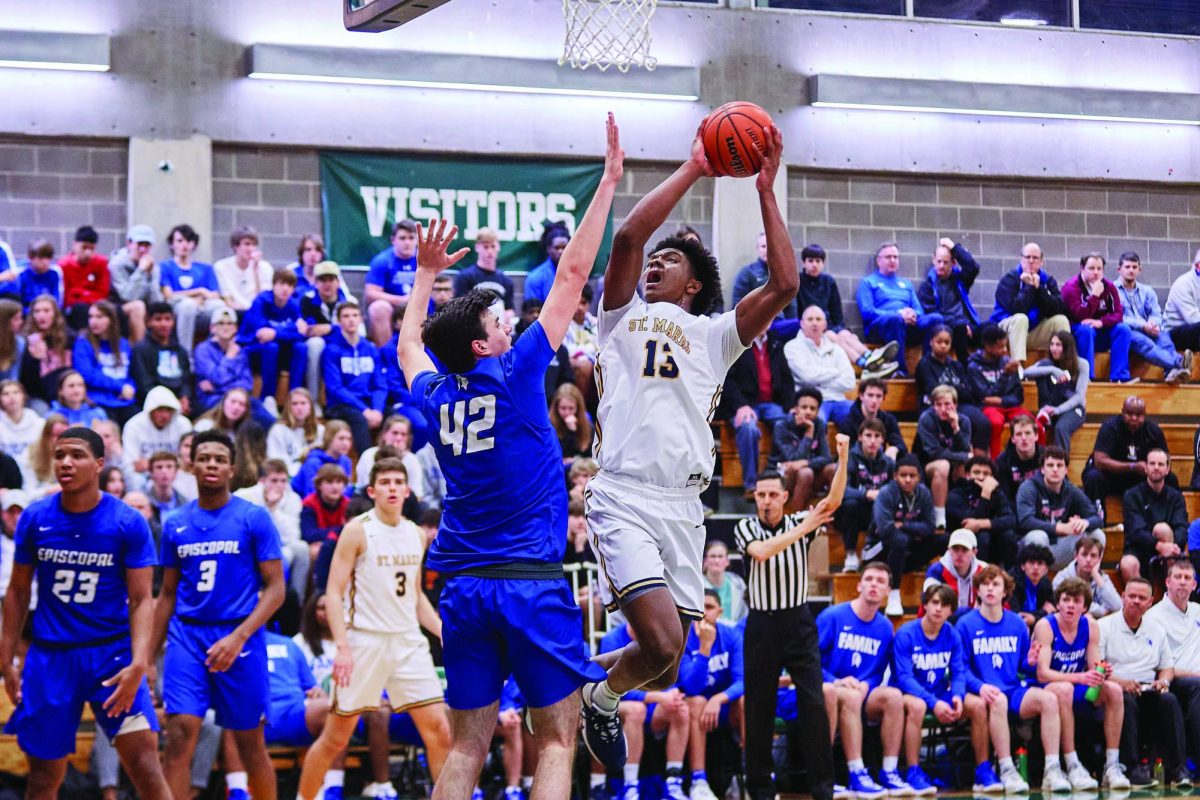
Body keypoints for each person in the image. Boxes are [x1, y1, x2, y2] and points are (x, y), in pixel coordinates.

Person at [397, 115, 622, 794]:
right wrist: (609, 180)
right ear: (484, 346)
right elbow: (575, 271)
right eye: (499, 322)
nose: (511, 323)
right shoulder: (519, 372)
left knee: (466, 746)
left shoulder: (437, 395)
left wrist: (426, 274)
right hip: (527, 580)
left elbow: (409, 347)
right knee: (556, 734)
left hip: (463, 589)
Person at [570, 122, 800, 778]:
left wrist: (765, 189)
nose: (654, 263)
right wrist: (697, 165)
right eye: (655, 261)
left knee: (669, 657)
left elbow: (784, 283)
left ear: (694, 282)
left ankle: (575, 688)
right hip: (623, 493)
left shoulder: (715, 335)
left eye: (670, 261)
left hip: (683, 503)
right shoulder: (619, 315)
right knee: (665, 640)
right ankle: (596, 696)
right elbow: (626, 237)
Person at [0, 426, 170, 800]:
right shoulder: (35, 518)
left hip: (112, 657)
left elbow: (143, 600)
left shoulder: (127, 522)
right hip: (51, 658)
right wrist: (7, 657)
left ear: (99, 463)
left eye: (76, 455)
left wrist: (141, 662)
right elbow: (16, 591)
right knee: (44, 776)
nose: (65, 462)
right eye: (60, 455)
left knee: (145, 766)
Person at [295, 458, 451, 800]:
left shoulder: (414, 533)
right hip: (364, 641)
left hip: (408, 641)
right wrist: (343, 648)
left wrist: (441, 631)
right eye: (385, 482)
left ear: (408, 490)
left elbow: (415, 595)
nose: (392, 488)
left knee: (439, 730)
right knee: (336, 736)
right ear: (372, 490)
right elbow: (332, 594)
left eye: (398, 482)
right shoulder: (357, 530)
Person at [151, 430, 286, 800]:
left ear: (232, 468)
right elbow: (165, 596)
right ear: (190, 465)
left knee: (249, 742)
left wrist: (239, 636)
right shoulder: (175, 522)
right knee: (179, 734)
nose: (211, 464)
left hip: (239, 635)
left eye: (219, 459)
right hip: (187, 635)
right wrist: (146, 659)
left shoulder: (253, 518)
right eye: (205, 457)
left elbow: (276, 590)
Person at [956, 565, 1065, 792]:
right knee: (998, 700)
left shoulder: (1017, 623)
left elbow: (1022, 666)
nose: (990, 589)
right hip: (981, 690)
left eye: (996, 584)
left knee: (1049, 700)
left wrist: (1031, 661)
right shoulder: (966, 624)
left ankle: (1052, 770)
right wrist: (980, 686)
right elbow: (960, 668)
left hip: (1012, 688)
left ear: (1005, 591)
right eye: (985, 584)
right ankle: (1006, 769)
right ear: (977, 590)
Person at [818, 562, 910, 797]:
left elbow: (878, 672)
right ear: (858, 585)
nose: (873, 585)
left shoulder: (885, 627)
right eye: (868, 579)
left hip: (861, 692)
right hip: (829, 689)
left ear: (888, 591)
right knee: (848, 696)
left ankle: (889, 771)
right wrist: (836, 681)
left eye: (880, 582)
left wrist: (865, 685)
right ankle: (854, 772)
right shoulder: (833, 616)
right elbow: (809, 661)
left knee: (893, 696)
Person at [892, 584, 994, 794]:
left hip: (940, 692)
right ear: (925, 605)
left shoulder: (952, 635)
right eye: (934, 603)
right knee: (918, 706)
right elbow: (904, 678)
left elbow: (958, 672)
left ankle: (983, 769)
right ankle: (913, 770)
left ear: (951, 611)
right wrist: (934, 703)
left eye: (944, 605)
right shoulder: (906, 633)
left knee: (977, 705)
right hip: (908, 694)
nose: (939, 609)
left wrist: (957, 695)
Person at [1032, 577, 1128, 790]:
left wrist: (1102, 672)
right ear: (1058, 603)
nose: (1070, 605)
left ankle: (1111, 766)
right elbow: (1042, 674)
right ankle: (1072, 764)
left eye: (1076, 601)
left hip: (1077, 684)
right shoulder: (1045, 626)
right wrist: (1080, 677)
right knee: (1064, 689)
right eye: (1066, 600)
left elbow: (1093, 665)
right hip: (1047, 687)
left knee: (1113, 690)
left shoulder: (1090, 625)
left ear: (1084, 607)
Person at [1099, 577, 1193, 788]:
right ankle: (1130, 769)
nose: (1136, 601)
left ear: (1150, 602)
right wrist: (1121, 683)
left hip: (1148, 688)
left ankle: (1178, 770)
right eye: (1131, 596)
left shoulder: (1157, 629)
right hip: (1115, 688)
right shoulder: (1104, 626)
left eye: (1142, 598)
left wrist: (1163, 681)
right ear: (1123, 597)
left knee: (1169, 701)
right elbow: (1096, 668)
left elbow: (1167, 668)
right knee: (1126, 702)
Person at [593, 621, 691, 800]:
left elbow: (685, 682)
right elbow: (609, 687)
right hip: (613, 703)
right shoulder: (612, 640)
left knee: (681, 708)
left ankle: (673, 783)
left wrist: (674, 694)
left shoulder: (663, 638)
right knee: (636, 710)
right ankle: (630, 786)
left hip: (652, 708)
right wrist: (657, 696)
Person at [679, 591, 744, 800]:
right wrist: (705, 648)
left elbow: (742, 680)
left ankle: (752, 774)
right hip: (695, 707)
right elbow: (691, 687)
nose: (703, 613)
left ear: (719, 611)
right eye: (699, 607)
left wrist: (718, 699)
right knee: (696, 701)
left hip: (723, 706)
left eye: (708, 607)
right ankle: (699, 781)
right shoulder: (684, 637)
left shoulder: (731, 635)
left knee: (746, 701)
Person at [796, 244, 896, 376]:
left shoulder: (829, 281)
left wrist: (841, 329)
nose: (814, 265)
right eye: (810, 261)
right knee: (832, 336)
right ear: (803, 262)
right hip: (811, 328)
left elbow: (836, 313)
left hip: (829, 325)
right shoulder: (798, 281)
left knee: (846, 335)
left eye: (818, 261)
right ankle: (865, 364)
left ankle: (871, 356)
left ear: (823, 263)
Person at [717, 327, 794, 496]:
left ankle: (773, 474)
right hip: (743, 403)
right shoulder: (737, 341)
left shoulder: (775, 342)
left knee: (787, 422)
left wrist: (791, 406)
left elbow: (786, 377)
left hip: (769, 403)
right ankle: (751, 484)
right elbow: (726, 379)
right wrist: (740, 405)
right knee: (748, 428)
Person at [863, 454, 938, 617]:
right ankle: (894, 594)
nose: (908, 480)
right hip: (877, 550)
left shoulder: (923, 493)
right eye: (903, 475)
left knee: (943, 539)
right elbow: (885, 529)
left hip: (905, 550)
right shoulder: (886, 493)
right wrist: (914, 530)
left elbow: (931, 526)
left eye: (912, 476)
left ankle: (942, 590)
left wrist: (904, 525)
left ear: (919, 477)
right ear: (895, 476)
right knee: (898, 540)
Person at [1144, 559, 1200, 776]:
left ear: (1194, 585)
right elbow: (1158, 667)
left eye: (1187, 578)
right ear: (1168, 582)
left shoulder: (1197, 611)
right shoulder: (1154, 617)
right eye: (1178, 577)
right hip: (1172, 679)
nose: (1182, 583)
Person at [1081, 396, 1171, 520]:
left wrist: (1153, 469)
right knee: (1093, 476)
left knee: (1170, 478)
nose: (1134, 418)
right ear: (1122, 412)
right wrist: (1132, 466)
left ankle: (1168, 520)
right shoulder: (1110, 427)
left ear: (1145, 415)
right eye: (1130, 413)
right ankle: (1096, 520)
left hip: (1139, 479)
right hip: (1111, 476)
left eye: (1138, 415)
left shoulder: (1153, 431)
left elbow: (1166, 460)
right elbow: (1100, 461)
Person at [856, 242, 937, 375]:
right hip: (880, 328)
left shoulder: (906, 284)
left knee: (935, 318)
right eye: (888, 257)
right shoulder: (868, 282)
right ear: (878, 261)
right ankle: (899, 370)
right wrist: (898, 314)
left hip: (906, 327)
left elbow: (919, 310)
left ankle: (928, 366)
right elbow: (867, 312)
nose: (892, 260)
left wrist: (912, 315)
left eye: (895, 257)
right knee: (895, 319)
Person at [1017, 446, 1104, 570]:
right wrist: (1058, 528)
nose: (1055, 469)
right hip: (1035, 548)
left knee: (1097, 534)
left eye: (1059, 465)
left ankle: (1088, 584)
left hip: (1062, 547)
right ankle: (1037, 586)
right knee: (1038, 536)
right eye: (1050, 465)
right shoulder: (1029, 487)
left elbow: (1097, 519)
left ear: (1066, 470)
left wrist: (1084, 523)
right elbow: (1025, 521)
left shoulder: (1071, 490)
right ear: (1042, 469)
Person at [322, 301, 386, 456]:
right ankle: (368, 466)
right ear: (338, 321)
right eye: (346, 316)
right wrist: (364, 410)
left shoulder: (370, 348)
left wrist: (377, 410)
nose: (351, 319)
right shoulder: (331, 350)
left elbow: (380, 385)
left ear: (361, 319)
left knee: (396, 418)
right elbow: (335, 389)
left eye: (355, 315)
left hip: (369, 402)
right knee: (359, 420)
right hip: (341, 405)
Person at [235, 459, 305, 597]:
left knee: (300, 549)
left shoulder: (293, 499)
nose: (279, 485)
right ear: (262, 481)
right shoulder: (242, 496)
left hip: (280, 546)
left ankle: (296, 599)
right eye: (274, 480)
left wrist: (273, 510)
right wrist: (267, 508)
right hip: (249, 544)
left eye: (283, 481)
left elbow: (292, 536)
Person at [990, 242, 1070, 362]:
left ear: (1041, 262)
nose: (1031, 261)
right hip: (1006, 332)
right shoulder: (1009, 279)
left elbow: (1058, 309)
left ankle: (1064, 367)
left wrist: (1039, 289)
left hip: (1032, 332)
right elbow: (1015, 309)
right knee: (1021, 318)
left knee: (1061, 320)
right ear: (1021, 259)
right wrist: (1029, 286)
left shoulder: (1047, 281)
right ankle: (1018, 370)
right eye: (1027, 257)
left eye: (1035, 257)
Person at [914, 323, 989, 451]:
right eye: (939, 341)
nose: (943, 345)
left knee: (983, 422)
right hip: (934, 406)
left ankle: (978, 462)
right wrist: (956, 388)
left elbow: (968, 391)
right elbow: (934, 391)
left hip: (958, 404)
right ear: (931, 342)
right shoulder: (924, 364)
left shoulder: (955, 365)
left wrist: (951, 389)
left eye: (947, 342)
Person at [1117, 252, 1190, 382]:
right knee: (1147, 344)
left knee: (1165, 340)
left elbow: (1156, 312)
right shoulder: (1112, 290)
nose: (1131, 270)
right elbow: (1118, 317)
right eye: (1127, 267)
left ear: (1140, 269)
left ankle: (1171, 374)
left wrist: (1153, 323)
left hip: (1149, 328)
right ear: (1119, 269)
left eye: (1134, 267)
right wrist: (1143, 325)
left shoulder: (1147, 291)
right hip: (1129, 331)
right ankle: (1179, 363)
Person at [1062, 252, 1134, 382]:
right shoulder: (1071, 287)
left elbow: (1118, 314)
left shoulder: (1109, 286)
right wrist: (1095, 296)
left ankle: (1120, 377)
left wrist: (1101, 322)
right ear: (1082, 269)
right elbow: (1080, 315)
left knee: (1123, 329)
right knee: (1086, 329)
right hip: (1078, 335)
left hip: (1100, 331)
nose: (1096, 272)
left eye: (1099, 269)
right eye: (1091, 268)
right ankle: (1086, 376)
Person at [237, 269, 307, 402]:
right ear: (274, 285)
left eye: (290, 285)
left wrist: (276, 332)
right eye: (281, 284)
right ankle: (268, 398)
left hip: (282, 347)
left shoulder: (293, 305)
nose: (285, 289)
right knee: (271, 347)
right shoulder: (261, 301)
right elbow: (261, 333)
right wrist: (289, 329)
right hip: (254, 348)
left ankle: (295, 397)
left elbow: (301, 332)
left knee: (301, 347)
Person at [836, 418, 893, 574]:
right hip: (851, 514)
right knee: (851, 504)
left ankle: (874, 553)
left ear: (883, 439)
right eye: (868, 435)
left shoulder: (888, 463)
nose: (872, 441)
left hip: (877, 513)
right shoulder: (848, 459)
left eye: (877, 436)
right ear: (860, 437)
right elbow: (840, 490)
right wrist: (867, 494)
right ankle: (851, 554)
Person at [966, 323, 1031, 459]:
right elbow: (984, 397)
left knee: (1032, 423)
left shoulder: (1007, 362)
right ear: (988, 347)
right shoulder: (974, 367)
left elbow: (1018, 395)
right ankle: (996, 465)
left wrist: (1001, 400)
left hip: (1009, 405)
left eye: (1005, 346)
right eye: (1001, 347)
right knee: (994, 423)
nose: (1005, 350)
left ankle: (1036, 462)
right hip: (988, 408)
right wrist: (1005, 375)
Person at [1121, 448, 1187, 581]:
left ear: (1168, 469)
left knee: (1162, 529)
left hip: (1171, 548)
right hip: (1139, 547)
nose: (1156, 468)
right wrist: (1159, 546)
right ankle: (1144, 599)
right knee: (1127, 564)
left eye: (1161, 464)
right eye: (1152, 463)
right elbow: (1135, 531)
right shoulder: (1131, 495)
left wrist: (1172, 547)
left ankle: (1169, 595)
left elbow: (1181, 527)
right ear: (1145, 468)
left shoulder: (1176, 497)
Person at [912, 385, 972, 530]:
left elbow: (964, 448)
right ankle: (939, 517)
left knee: (968, 465)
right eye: (938, 405)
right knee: (944, 465)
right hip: (927, 466)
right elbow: (934, 453)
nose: (943, 409)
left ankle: (962, 512)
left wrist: (955, 427)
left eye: (947, 404)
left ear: (955, 405)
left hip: (954, 465)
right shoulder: (927, 419)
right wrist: (965, 455)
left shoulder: (963, 421)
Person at [767, 387, 834, 510]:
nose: (808, 412)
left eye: (812, 408)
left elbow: (827, 458)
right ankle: (795, 521)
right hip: (781, 475)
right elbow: (793, 459)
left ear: (818, 411)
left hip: (808, 473)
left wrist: (806, 463)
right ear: (796, 409)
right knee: (805, 473)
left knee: (832, 469)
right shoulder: (782, 426)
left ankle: (830, 516)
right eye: (804, 407)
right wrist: (809, 433)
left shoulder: (818, 424)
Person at [159, 223, 225, 349]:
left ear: (193, 244)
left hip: (203, 307)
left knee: (219, 306)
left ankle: (217, 351)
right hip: (178, 308)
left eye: (188, 241)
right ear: (172, 244)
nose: (184, 245)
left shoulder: (205, 268)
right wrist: (199, 292)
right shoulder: (165, 267)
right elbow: (168, 295)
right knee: (188, 305)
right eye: (179, 240)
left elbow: (215, 295)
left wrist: (200, 299)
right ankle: (185, 355)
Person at [917, 237, 982, 363]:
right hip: (947, 330)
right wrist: (962, 323)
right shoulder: (928, 286)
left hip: (965, 327)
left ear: (953, 263)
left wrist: (953, 247)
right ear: (933, 260)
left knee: (990, 330)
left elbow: (973, 267)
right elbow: (933, 315)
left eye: (946, 262)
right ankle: (966, 370)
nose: (941, 266)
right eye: (939, 261)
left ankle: (988, 371)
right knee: (959, 328)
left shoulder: (960, 280)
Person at [1024, 330, 1088, 457]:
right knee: (1043, 369)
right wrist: (1053, 370)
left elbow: (1079, 397)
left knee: (1061, 428)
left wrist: (1058, 410)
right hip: (1051, 407)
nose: (1054, 348)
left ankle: (1062, 467)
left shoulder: (1081, 364)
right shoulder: (1048, 362)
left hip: (1072, 409)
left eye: (1058, 345)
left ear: (1067, 347)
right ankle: (1044, 411)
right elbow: (1025, 373)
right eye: (1052, 344)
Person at [73, 301, 137, 425]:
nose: (93, 321)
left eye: (99, 317)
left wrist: (131, 388)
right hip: (98, 401)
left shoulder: (123, 344)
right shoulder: (83, 342)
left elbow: (132, 374)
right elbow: (87, 374)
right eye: (91, 317)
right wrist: (120, 387)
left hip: (125, 401)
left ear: (111, 319)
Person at [947, 456, 1015, 566]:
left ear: (992, 477)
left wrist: (982, 524)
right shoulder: (956, 493)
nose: (981, 477)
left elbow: (1010, 519)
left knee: (1008, 535)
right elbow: (967, 523)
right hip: (963, 543)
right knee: (983, 537)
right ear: (968, 475)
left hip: (993, 544)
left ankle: (1010, 575)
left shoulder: (997, 493)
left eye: (986, 473)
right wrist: (985, 495)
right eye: (976, 472)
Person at [297, 260, 349, 399]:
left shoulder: (348, 301)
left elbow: (356, 329)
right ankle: (313, 400)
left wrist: (329, 328)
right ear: (315, 282)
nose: (327, 284)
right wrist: (337, 328)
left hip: (341, 343)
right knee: (315, 344)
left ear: (338, 282)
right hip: (320, 344)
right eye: (322, 280)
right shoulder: (307, 301)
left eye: (331, 280)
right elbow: (310, 331)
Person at [131, 301, 193, 413]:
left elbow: (186, 380)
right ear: (148, 322)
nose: (164, 324)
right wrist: (170, 403)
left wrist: (185, 397)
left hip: (179, 399)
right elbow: (144, 385)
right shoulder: (141, 350)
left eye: (167, 319)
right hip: (153, 402)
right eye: (158, 319)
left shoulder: (180, 350)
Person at [365, 219, 419, 345]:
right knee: (378, 308)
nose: (407, 242)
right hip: (393, 309)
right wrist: (401, 300)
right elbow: (371, 294)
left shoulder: (424, 259)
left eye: (411, 238)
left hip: (419, 306)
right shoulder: (382, 261)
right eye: (402, 238)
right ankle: (388, 356)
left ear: (417, 240)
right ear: (393, 240)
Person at [108, 224, 162, 343]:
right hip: (118, 307)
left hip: (144, 307)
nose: (143, 250)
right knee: (138, 307)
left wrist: (150, 275)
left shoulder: (153, 266)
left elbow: (156, 302)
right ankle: (140, 353)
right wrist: (141, 271)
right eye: (139, 244)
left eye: (146, 245)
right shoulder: (116, 264)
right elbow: (127, 296)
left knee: (163, 314)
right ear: (129, 243)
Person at [19, 295, 73, 411]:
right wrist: (35, 359)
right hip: (39, 397)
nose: (41, 315)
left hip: (66, 394)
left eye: (46, 311)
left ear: (55, 314)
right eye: (37, 311)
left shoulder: (69, 338)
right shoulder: (26, 341)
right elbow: (27, 384)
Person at [122, 386, 192, 474]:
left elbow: (188, 460)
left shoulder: (183, 424)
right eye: (160, 410)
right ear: (150, 410)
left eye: (168, 410)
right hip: (144, 476)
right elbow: (130, 464)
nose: (164, 415)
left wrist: (151, 463)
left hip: (176, 473)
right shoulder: (133, 426)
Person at [1051, 536, 1122, 618]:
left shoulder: (1101, 578)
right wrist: (1101, 611)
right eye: (1084, 554)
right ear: (1076, 556)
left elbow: (1117, 606)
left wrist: (1096, 575)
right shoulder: (1062, 578)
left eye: (1093, 556)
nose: (1088, 559)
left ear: (1099, 559)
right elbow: (1070, 604)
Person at [921, 528, 986, 616]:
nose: (959, 554)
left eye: (964, 549)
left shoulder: (984, 570)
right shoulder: (936, 570)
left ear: (974, 552)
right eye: (955, 549)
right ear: (949, 549)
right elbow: (931, 604)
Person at [841, 377, 906, 461]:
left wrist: (895, 449)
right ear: (861, 396)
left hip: (880, 464)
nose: (874, 400)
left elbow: (901, 445)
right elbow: (847, 452)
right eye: (870, 395)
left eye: (878, 396)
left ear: (883, 399)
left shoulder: (888, 419)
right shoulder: (848, 421)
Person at [60, 225, 110, 330]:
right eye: (84, 247)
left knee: (115, 311)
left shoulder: (102, 263)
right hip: (75, 308)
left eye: (92, 248)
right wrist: (88, 295)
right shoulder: (64, 265)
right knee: (80, 309)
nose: (88, 252)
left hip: (97, 304)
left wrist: (80, 293)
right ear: (75, 245)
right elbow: (67, 297)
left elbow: (103, 293)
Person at [213, 226, 273, 313]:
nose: (251, 249)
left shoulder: (265, 267)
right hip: (234, 312)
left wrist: (256, 272)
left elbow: (262, 299)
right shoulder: (221, 267)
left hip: (257, 312)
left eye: (254, 245)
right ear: (236, 246)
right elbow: (227, 300)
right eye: (247, 244)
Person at [454, 227, 514, 311]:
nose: (490, 251)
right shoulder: (465, 277)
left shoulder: (506, 280)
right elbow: (459, 310)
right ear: (477, 247)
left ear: (498, 247)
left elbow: (509, 310)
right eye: (486, 247)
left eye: (493, 246)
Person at [267, 387, 324, 477]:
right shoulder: (278, 430)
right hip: (286, 476)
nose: (299, 408)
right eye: (294, 404)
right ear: (288, 407)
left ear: (310, 406)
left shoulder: (320, 430)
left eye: (303, 403)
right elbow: (275, 459)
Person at [293, 421, 354, 498]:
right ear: (329, 439)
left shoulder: (346, 461)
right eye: (341, 438)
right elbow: (310, 494)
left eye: (349, 439)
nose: (346, 443)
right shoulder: (313, 462)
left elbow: (347, 490)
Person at [0, 380, 42, 488]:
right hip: (7, 481)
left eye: (16, 392)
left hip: (38, 476)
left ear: (23, 396)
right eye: (6, 394)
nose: (11, 397)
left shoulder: (39, 423)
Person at [995, 415, 1043, 504]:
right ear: (1013, 439)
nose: (1024, 438)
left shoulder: (1047, 458)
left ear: (1036, 436)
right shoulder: (1002, 461)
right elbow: (1003, 499)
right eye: (1019, 434)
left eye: (1028, 433)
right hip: (1014, 509)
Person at [521, 221, 570, 306]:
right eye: (557, 247)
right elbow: (532, 311)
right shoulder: (535, 278)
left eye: (564, 247)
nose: (561, 251)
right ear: (548, 248)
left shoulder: (577, 274)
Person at [1009, 543, 1055, 628]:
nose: (1035, 567)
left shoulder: (1046, 583)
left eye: (1040, 563)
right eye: (1031, 562)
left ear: (1046, 569)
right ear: (1023, 566)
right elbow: (1018, 616)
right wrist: (1043, 612)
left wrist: (1034, 618)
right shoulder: (1012, 583)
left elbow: (1053, 610)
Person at [701, 541, 746, 623]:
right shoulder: (698, 586)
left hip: (733, 633)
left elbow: (744, 615)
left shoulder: (738, 584)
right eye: (713, 556)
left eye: (720, 556)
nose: (717, 560)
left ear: (727, 561)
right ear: (705, 561)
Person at [15, 239, 62, 310]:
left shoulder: (55, 273)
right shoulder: (21, 274)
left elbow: (57, 300)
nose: (45, 261)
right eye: (41, 258)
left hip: (49, 313)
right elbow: (17, 301)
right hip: (26, 313)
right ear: (31, 258)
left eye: (48, 257)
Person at [145, 451, 187, 522]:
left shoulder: (185, 504)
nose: (164, 471)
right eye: (159, 467)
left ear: (176, 472)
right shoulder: (144, 502)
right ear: (151, 473)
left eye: (169, 467)